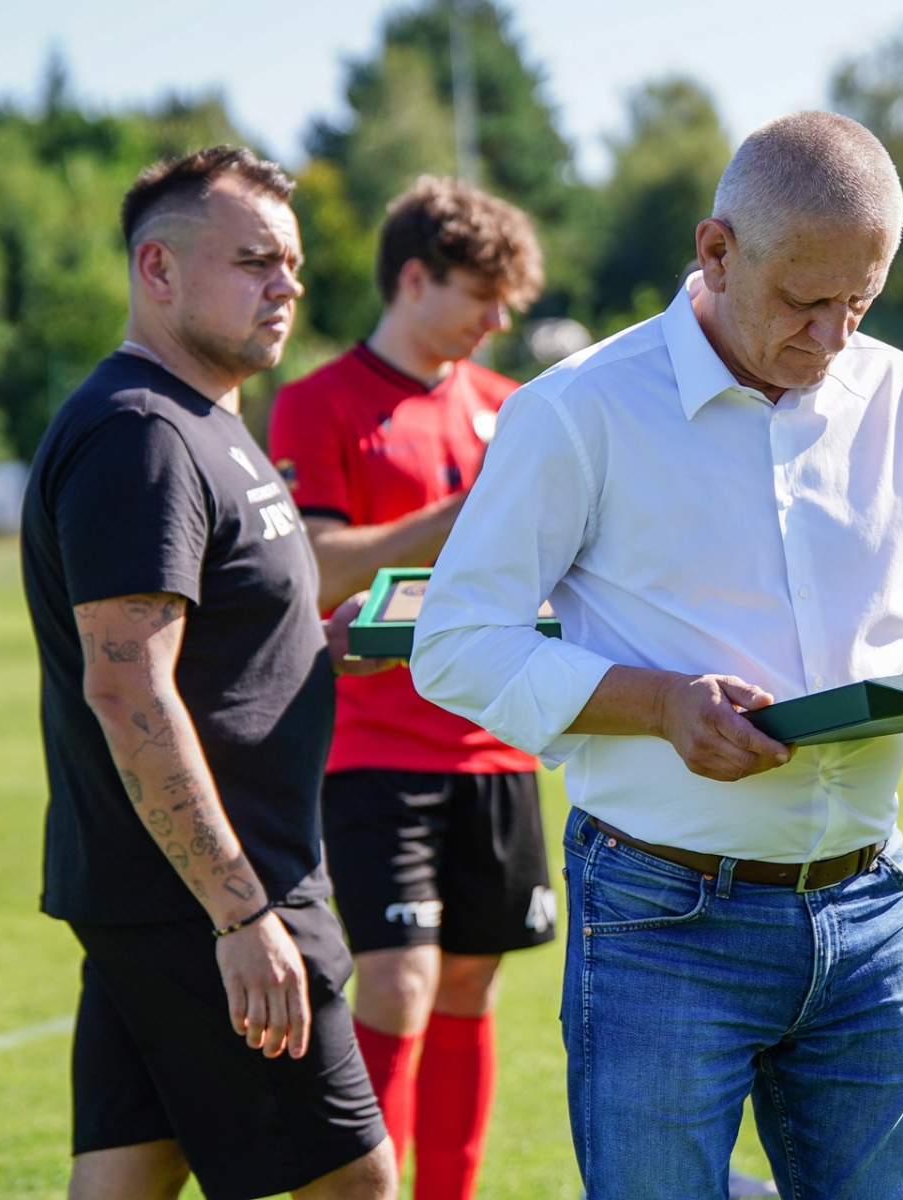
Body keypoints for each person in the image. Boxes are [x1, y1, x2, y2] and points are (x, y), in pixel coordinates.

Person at [409, 111, 903, 1200]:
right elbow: (456, 644)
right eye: (803, 301)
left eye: (860, 302)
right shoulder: (579, 410)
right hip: (659, 917)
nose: (833, 336)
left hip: (871, 907)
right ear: (717, 251)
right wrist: (657, 704)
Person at [19, 147, 396, 1200]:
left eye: (293, 264)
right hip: (211, 895)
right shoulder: (140, 434)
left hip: (172, 891)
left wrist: (320, 649)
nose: (288, 286)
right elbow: (126, 685)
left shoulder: (204, 418)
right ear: (159, 268)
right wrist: (239, 914)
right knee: (356, 1181)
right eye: (255, 261)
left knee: (128, 1174)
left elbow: (216, 651)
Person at [267, 176, 557, 1200]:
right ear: (416, 277)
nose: (498, 320)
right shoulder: (318, 401)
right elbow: (311, 567)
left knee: (472, 984)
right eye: (482, 294)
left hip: (499, 744)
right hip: (374, 750)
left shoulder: (513, 409)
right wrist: (454, 518)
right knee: (397, 985)